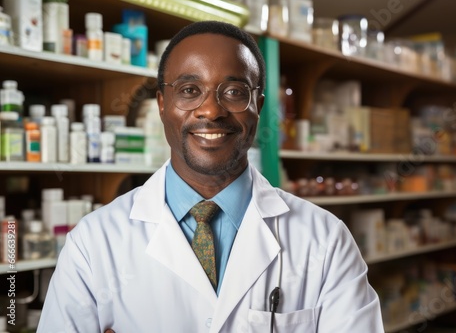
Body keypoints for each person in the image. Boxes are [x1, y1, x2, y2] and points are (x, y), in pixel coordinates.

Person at [37, 20, 384, 332]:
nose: (211, 110)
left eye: (234, 92)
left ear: (258, 106)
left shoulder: (325, 241)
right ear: (162, 104)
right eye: (189, 90)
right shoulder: (93, 242)